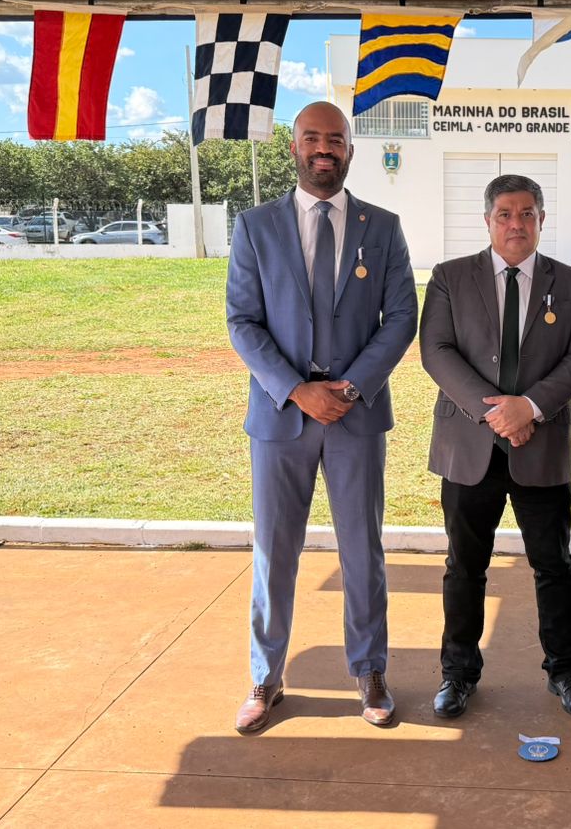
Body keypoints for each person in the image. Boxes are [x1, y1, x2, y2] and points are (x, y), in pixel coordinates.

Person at [226, 101, 419, 734]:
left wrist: (353, 388)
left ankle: (369, 671)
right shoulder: (255, 228)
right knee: (274, 551)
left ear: (350, 150)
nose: (324, 149)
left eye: (335, 139)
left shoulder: (383, 228)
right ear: (294, 148)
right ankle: (265, 675)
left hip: (355, 420)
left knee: (362, 550)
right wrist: (296, 389)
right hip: (281, 419)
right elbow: (243, 322)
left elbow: (401, 320)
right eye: (312, 138)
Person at [420, 174, 571, 721]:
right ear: (488, 220)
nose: (516, 224)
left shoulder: (570, 283)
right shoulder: (450, 278)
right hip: (469, 450)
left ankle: (566, 672)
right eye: (505, 214)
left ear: (542, 220)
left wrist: (531, 408)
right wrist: (499, 412)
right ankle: (457, 675)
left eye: (527, 214)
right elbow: (437, 351)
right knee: (464, 566)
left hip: (540, 446)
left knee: (554, 565)